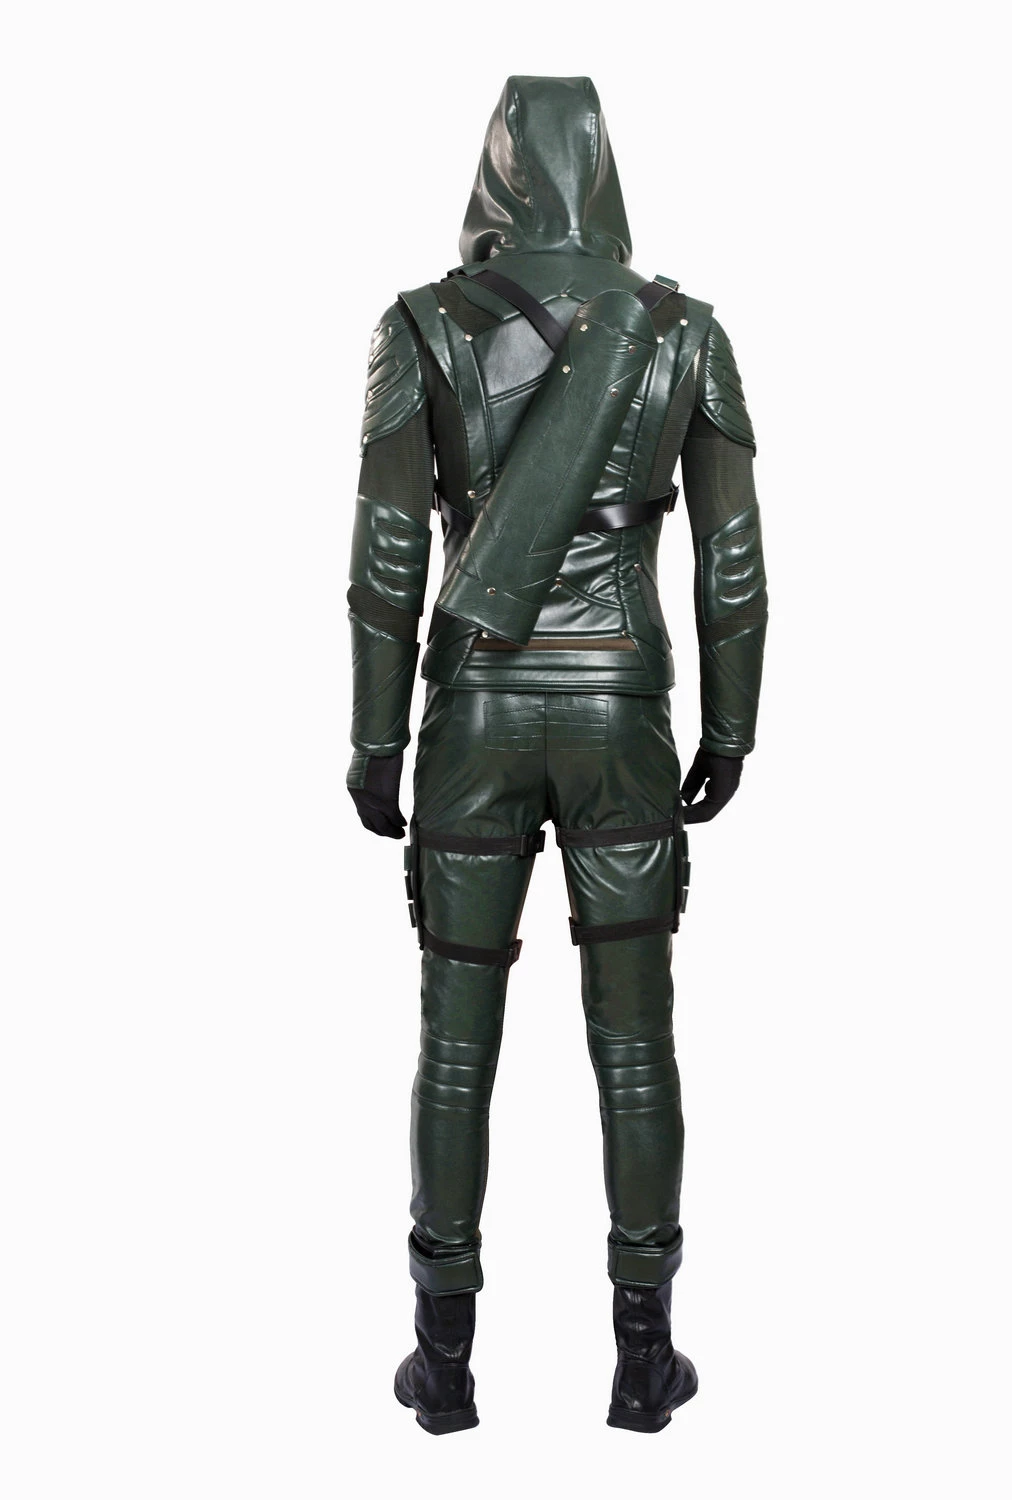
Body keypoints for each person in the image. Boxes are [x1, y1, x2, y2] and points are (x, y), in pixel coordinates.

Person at [346, 75, 767, 1434]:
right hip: (622, 716)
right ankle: (645, 1361)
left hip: (472, 717)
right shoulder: (685, 332)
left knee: (454, 1046)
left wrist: (373, 740)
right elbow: (733, 564)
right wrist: (732, 728)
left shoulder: (419, 326)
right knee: (635, 1042)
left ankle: (443, 1364)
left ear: (496, 171)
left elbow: (388, 557)